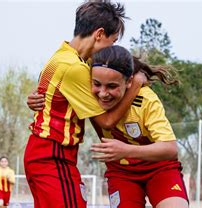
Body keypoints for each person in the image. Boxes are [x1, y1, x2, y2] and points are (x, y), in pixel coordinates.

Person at [28, 46, 189, 208]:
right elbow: (63, 76)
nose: (103, 93)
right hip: (122, 173)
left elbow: (170, 149)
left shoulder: (146, 99)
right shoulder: (89, 95)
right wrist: (38, 96)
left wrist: (126, 150)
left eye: (112, 86)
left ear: (129, 82)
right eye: (97, 84)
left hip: (160, 169)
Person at [24, 1, 145, 208]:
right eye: (113, 41)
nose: (112, 49)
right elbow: (106, 121)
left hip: (43, 153)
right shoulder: (74, 68)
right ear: (99, 34)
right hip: (52, 155)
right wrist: (135, 86)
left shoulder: (62, 55)